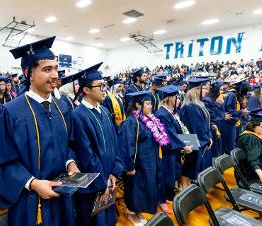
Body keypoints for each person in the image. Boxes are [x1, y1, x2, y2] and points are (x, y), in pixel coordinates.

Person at [0, 36, 79, 226]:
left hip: (62, 195)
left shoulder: (62, 108)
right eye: (47, 69)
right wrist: (33, 183)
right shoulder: (10, 112)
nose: (55, 75)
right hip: (30, 201)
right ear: (28, 72)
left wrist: (71, 163)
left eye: (55, 68)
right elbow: (3, 162)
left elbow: (69, 145)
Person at [71, 62, 124, 226]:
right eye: (100, 86)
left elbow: (116, 144)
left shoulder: (106, 111)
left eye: (105, 85)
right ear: (86, 90)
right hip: (94, 185)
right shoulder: (78, 115)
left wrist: (115, 172)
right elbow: (86, 155)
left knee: (109, 220)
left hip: (109, 180)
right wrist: (102, 184)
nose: (104, 89)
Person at [119, 91, 170, 226]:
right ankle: (131, 213)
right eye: (147, 103)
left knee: (143, 190)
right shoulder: (131, 122)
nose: (151, 106)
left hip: (148, 162)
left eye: (151, 103)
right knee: (135, 190)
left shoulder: (147, 120)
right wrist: (129, 167)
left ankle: (137, 211)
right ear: (138, 104)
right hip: (137, 165)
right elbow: (126, 145)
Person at [156, 85, 193, 195]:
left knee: (174, 171)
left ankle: (171, 191)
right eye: (176, 98)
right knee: (169, 172)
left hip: (173, 149)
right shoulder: (162, 114)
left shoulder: (170, 112)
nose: (179, 100)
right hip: (168, 150)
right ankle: (167, 195)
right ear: (170, 99)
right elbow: (170, 134)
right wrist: (184, 146)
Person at [179, 78, 213, 186]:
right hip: (191, 138)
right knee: (190, 165)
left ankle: (188, 185)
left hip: (197, 138)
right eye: (205, 88)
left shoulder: (198, 104)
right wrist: (207, 138)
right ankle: (184, 187)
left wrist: (209, 136)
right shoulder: (190, 106)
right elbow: (197, 127)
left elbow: (205, 123)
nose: (206, 91)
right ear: (197, 90)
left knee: (194, 165)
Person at [237, 108, 262, 188]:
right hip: (256, 171)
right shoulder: (250, 138)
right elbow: (253, 161)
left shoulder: (257, 134)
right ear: (253, 125)